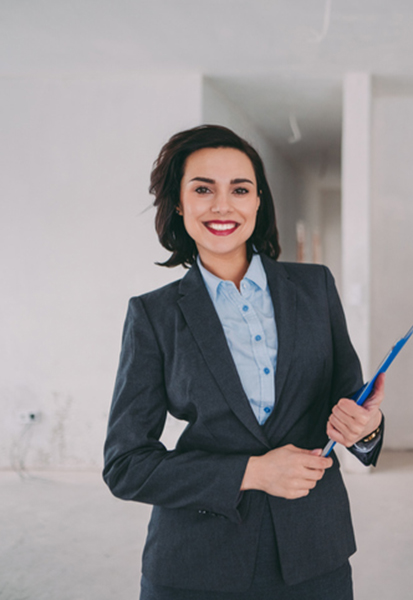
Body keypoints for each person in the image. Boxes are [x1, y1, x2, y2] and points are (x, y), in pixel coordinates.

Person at [103, 125, 385, 600]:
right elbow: (126, 464)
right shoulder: (153, 315)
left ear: (258, 202)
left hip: (314, 553)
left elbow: (349, 404)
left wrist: (366, 428)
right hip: (198, 562)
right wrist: (250, 473)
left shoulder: (315, 288)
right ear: (178, 203)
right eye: (202, 189)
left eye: (239, 189)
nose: (222, 205)